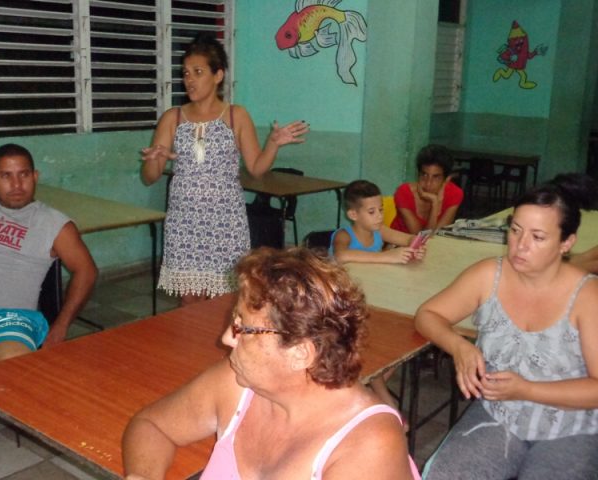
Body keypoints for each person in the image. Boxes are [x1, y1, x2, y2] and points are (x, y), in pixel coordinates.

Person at [122, 247, 421, 480]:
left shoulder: (367, 445)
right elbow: (152, 425)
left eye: (243, 328)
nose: (227, 338)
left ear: (300, 352)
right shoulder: (238, 383)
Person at [415, 180, 598, 479]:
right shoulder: (489, 274)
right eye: (515, 230)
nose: (520, 245)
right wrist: (459, 346)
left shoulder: (588, 296)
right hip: (498, 414)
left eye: (538, 237)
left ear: (566, 243)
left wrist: (527, 390)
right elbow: (428, 314)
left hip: (571, 426)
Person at [140, 33, 308, 307]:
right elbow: (150, 178)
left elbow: (256, 168)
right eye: (185, 73)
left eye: (198, 72)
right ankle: (191, 350)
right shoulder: (173, 117)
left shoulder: (235, 115)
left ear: (218, 75)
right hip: (185, 222)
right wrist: (153, 159)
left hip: (225, 221)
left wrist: (274, 144)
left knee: (225, 301)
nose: (189, 80)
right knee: (190, 301)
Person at [0, 143, 97, 449]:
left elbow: (86, 271)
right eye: (6, 176)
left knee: (14, 370)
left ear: (36, 176)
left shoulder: (54, 223)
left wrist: (60, 326)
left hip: (9, 320)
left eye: (23, 175)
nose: (17, 184)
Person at [330, 179, 426, 415]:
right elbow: (342, 256)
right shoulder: (344, 234)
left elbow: (408, 239)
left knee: (393, 346)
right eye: (372, 212)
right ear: (353, 214)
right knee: (376, 350)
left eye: (381, 209)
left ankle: (368, 388)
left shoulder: (379, 231)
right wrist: (389, 257)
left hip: (375, 297)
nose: (379, 216)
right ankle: (385, 403)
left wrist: (416, 247)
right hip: (345, 307)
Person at [390, 145, 464, 234]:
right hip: (398, 244)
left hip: (431, 245)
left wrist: (434, 204)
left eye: (435, 177)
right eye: (424, 175)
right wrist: (435, 203)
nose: (428, 183)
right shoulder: (404, 193)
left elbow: (436, 235)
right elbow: (420, 237)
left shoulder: (454, 194)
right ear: (418, 174)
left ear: (447, 180)